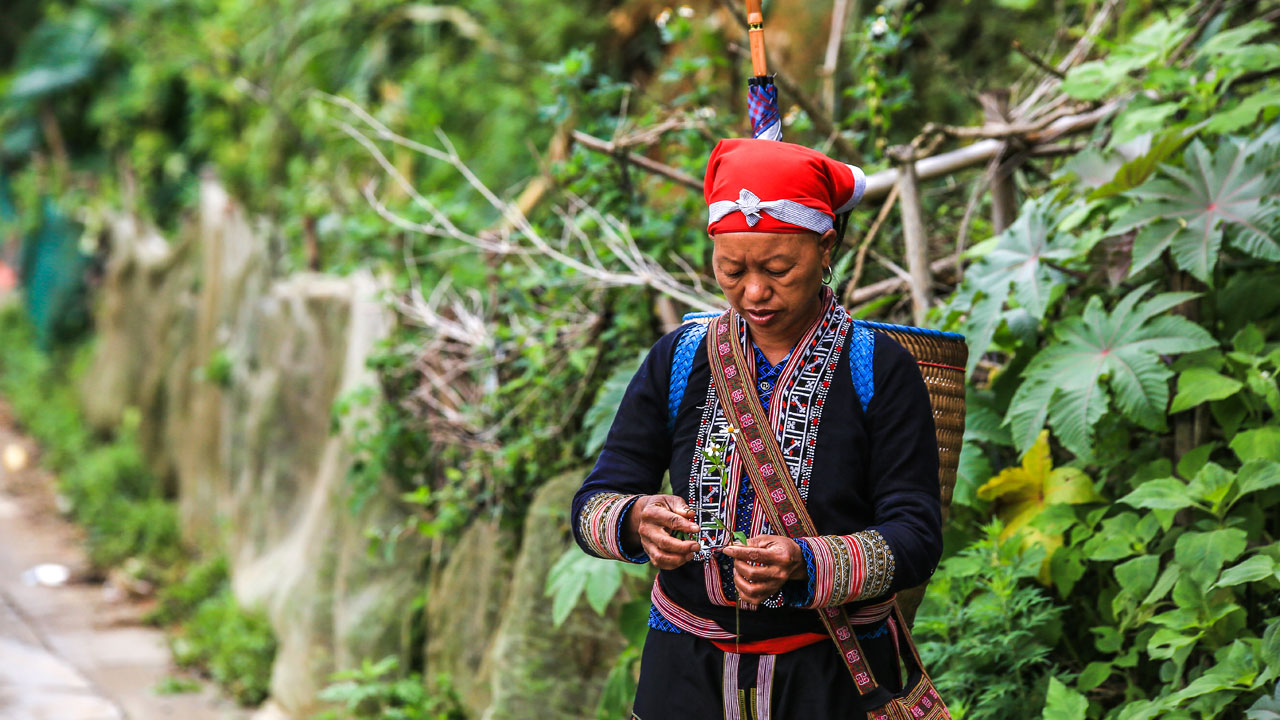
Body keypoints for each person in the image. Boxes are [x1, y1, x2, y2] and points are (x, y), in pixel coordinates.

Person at [571, 137, 942, 719]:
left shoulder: (877, 369)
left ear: (826, 247)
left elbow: (917, 537)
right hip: (684, 673)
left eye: (776, 269)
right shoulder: (680, 358)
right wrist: (635, 519)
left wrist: (807, 561)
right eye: (731, 269)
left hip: (832, 677)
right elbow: (592, 504)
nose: (753, 292)